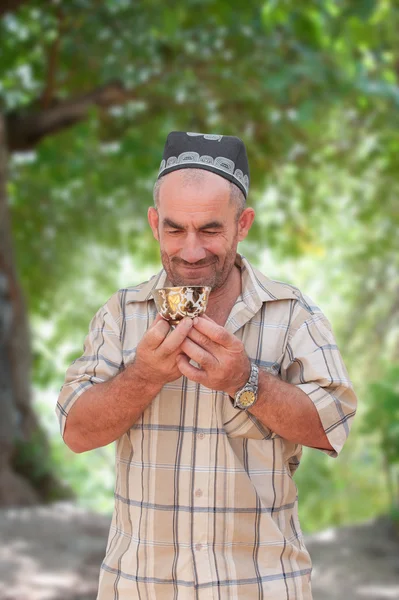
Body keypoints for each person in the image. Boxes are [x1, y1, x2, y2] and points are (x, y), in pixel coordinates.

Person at [56, 131, 357, 600]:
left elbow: (331, 428)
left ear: (243, 224)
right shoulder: (121, 314)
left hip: (261, 586)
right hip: (141, 587)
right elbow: (76, 433)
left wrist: (246, 380)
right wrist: (145, 375)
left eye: (211, 230)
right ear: (155, 224)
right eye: (175, 229)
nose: (192, 251)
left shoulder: (292, 313)